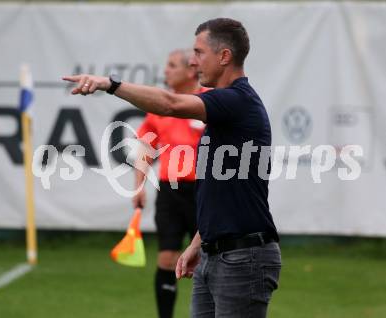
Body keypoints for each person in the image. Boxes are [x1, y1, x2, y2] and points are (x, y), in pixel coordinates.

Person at [63, 17, 281, 317]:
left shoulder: (236, 100)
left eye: (199, 52)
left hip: (243, 258)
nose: (194, 61)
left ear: (224, 56)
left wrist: (109, 84)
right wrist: (197, 244)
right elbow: (222, 195)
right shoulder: (224, 110)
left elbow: (170, 104)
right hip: (214, 252)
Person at [133, 48, 207, 318]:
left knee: (209, 261)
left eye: (172, 65)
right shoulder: (159, 108)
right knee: (167, 258)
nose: (165, 70)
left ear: (191, 70)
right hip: (170, 191)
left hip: (205, 192)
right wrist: (139, 185)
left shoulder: (208, 102)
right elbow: (146, 149)